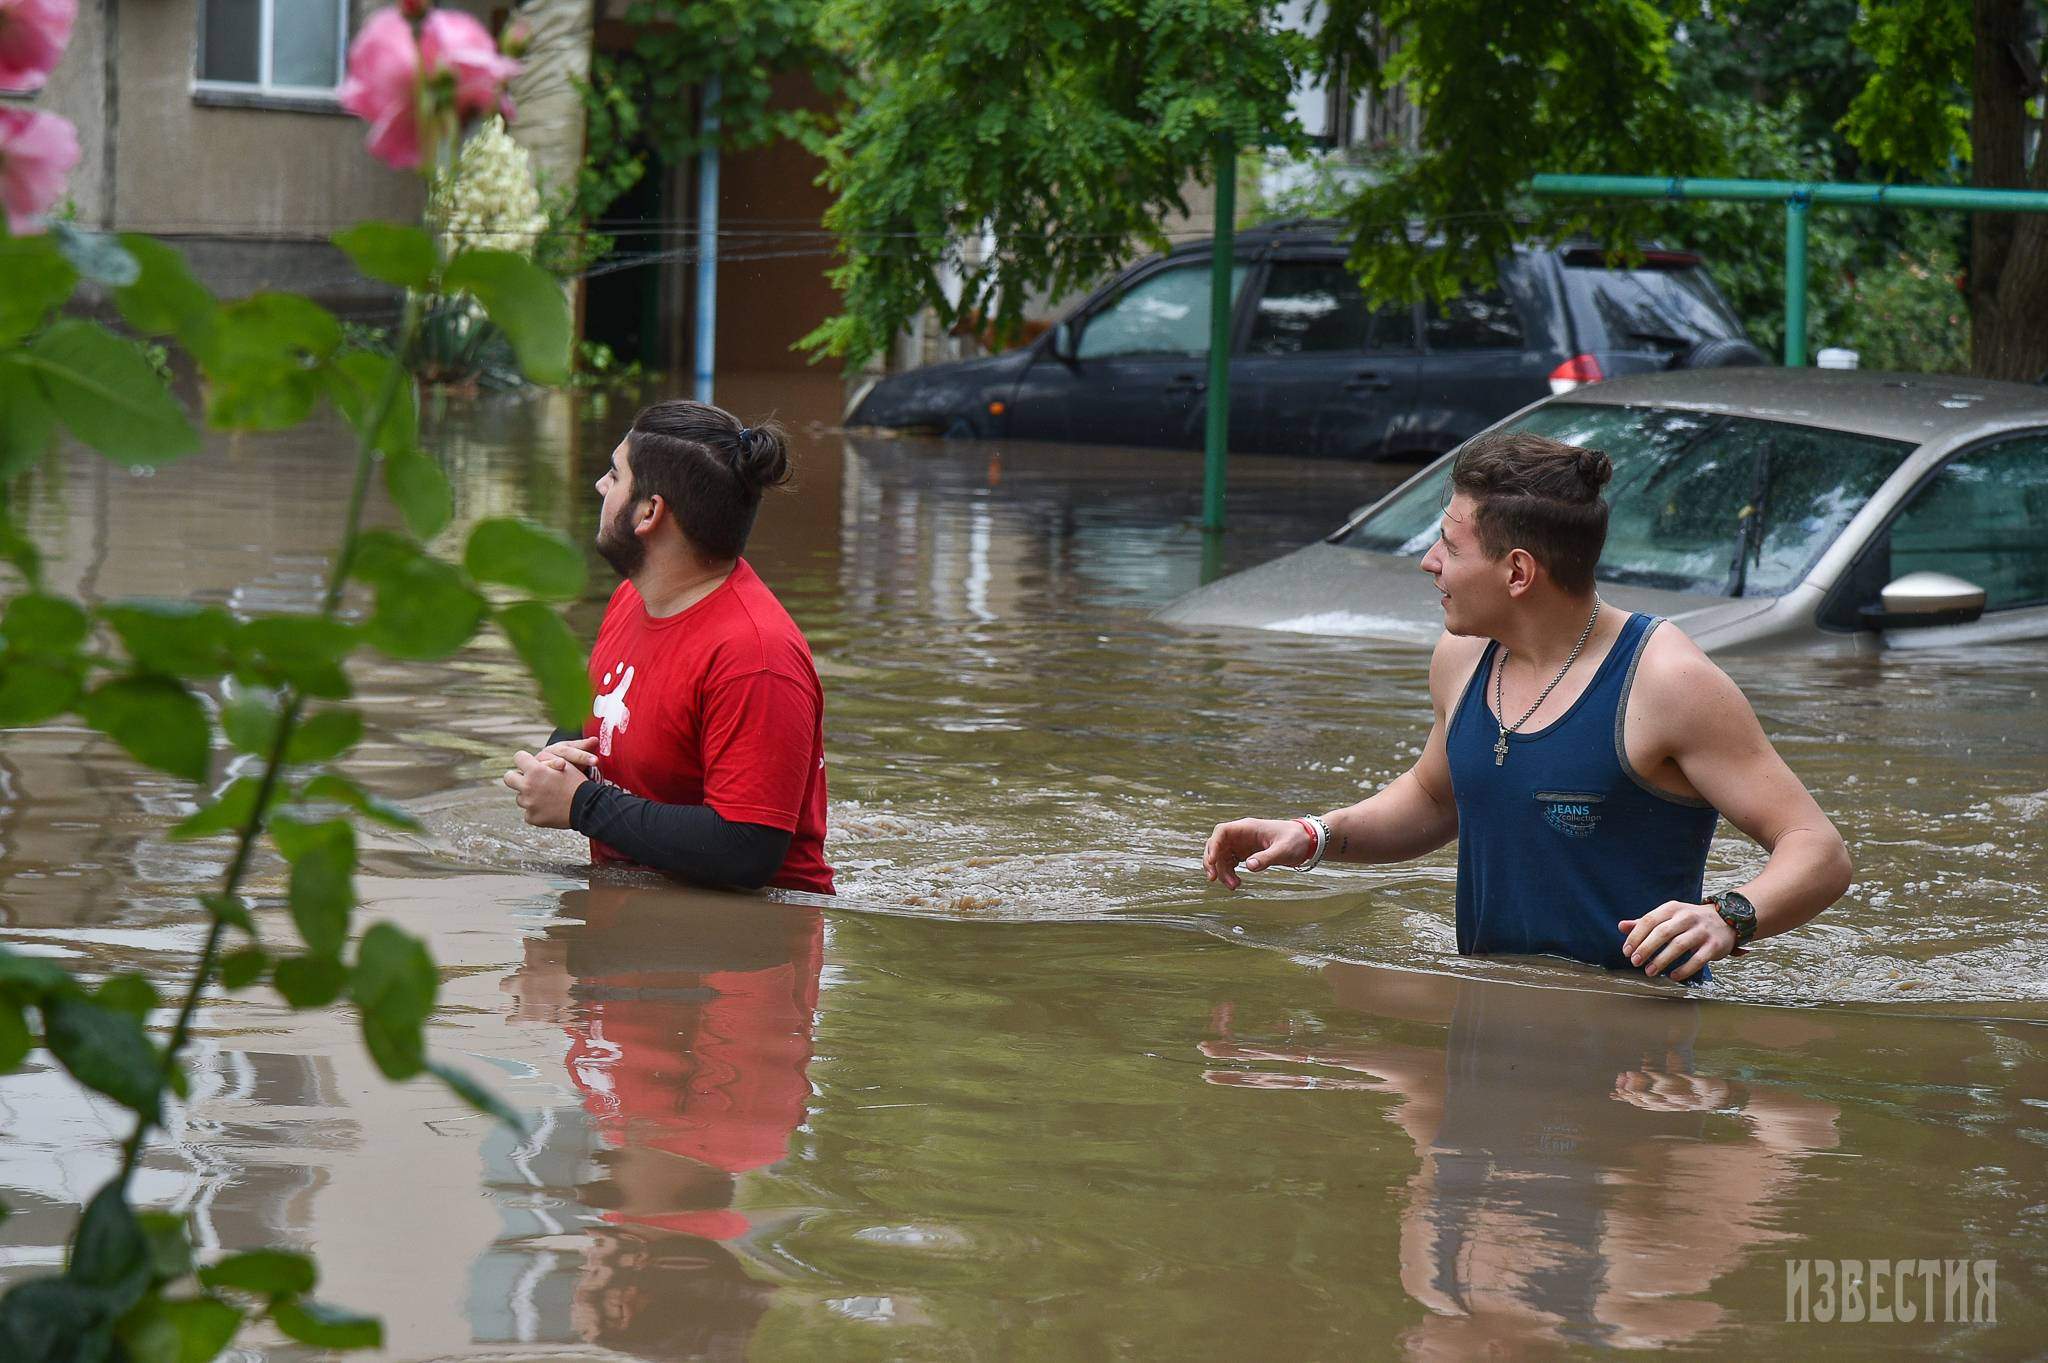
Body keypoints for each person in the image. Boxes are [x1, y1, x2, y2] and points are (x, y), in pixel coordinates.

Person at [1202, 430, 1853, 982]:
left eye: (1450, 547)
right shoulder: (1461, 660)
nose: (1429, 562)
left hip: (1635, 1052)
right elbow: (1435, 798)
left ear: (1517, 572)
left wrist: (1726, 915)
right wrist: (1313, 835)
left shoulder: (1669, 682)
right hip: (1489, 1008)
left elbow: (1818, 849)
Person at [502, 400, 834, 894]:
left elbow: (749, 849)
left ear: (649, 512)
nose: (600, 486)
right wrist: (559, 756)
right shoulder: (633, 597)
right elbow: (601, 711)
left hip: (754, 942)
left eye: (615, 475)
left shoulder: (756, 658)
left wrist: (581, 806)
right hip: (634, 919)